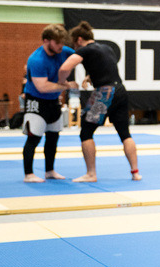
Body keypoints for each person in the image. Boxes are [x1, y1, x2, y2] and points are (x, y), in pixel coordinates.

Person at [58, 22, 140, 182]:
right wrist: (90, 77)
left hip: (104, 93)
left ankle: (91, 174)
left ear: (79, 39)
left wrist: (63, 83)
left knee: (86, 133)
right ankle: (135, 172)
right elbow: (106, 67)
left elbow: (64, 68)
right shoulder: (106, 48)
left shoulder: (85, 50)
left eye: (75, 44)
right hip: (120, 90)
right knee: (125, 134)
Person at [22, 24, 76, 183]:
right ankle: (28, 174)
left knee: (53, 138)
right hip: (36, 101)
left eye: (62, 42)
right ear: (46, 41)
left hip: (53, 102)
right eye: (57, 42)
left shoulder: (63, 51)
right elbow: (43, 87)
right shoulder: (36, 59)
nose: (61, 46)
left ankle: (49, 170)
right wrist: (66, 85)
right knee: (33, 139)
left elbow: (82, 56)